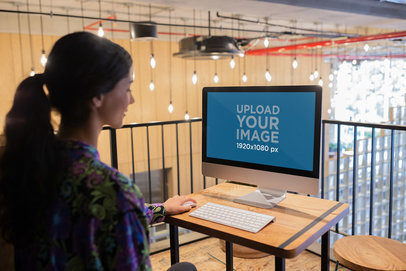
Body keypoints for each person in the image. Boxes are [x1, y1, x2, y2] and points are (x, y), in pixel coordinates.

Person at [0, 31, 197, 271]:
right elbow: (108, 213)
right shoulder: (114, 191)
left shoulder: (28, 167)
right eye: (127, 88)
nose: (131, 100)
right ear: (97, 96)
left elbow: (92, 219)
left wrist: (161, 210)